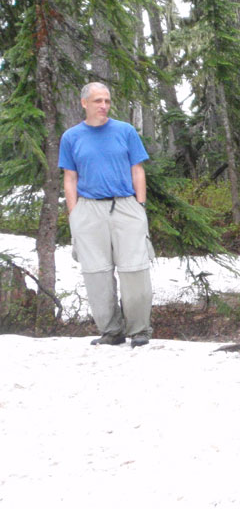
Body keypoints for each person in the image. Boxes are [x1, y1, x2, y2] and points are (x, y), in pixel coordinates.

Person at [58, 82, 154, 348]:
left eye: (107, 101)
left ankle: (140, 330)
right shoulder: (71, 137)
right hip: (88, 209)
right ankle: (111, 331)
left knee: (135, 269)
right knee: (96, 272)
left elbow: (137, 170)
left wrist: (140, 206)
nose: (103, 106)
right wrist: (74, 214)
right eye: (98, 101)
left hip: (125, 205)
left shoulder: (125, 131)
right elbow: (70, 177)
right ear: (84, 103)